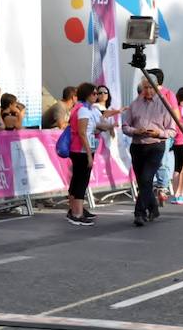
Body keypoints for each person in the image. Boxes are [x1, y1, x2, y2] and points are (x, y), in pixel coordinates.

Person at [122, 74, 176, 227]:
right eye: (145, 87)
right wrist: (135, 131)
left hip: (155, 145)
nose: (148, 90)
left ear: (156, 87)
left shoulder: (164, 105)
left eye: (151, 87)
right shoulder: (134, 104)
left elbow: (172, 130)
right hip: (137, 145)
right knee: (142, 182)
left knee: (146, 178)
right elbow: (125, 126)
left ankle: (139, 213)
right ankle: (153, 208)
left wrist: (159, 133)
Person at [67, 83, 118, 225]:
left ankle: (75, 211)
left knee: (77, 180)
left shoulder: (82, 108)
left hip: (79, 149)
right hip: (81, 150)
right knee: (81, 182)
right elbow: (83, 133)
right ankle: (77, 214)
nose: (97, 96)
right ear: (87, 95)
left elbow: (94, 127)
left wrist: (109, 126)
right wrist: (89, 155)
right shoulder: (83, 110)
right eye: (94, 93)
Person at [147, 68, 179, 205]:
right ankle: (151, 187)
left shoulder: (168, 93)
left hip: (163, 133)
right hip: (147, 133)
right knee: (150, 160)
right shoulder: (145, 93)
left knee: (162, 160)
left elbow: (176, 113)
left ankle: (162, 187)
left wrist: (172, 130)